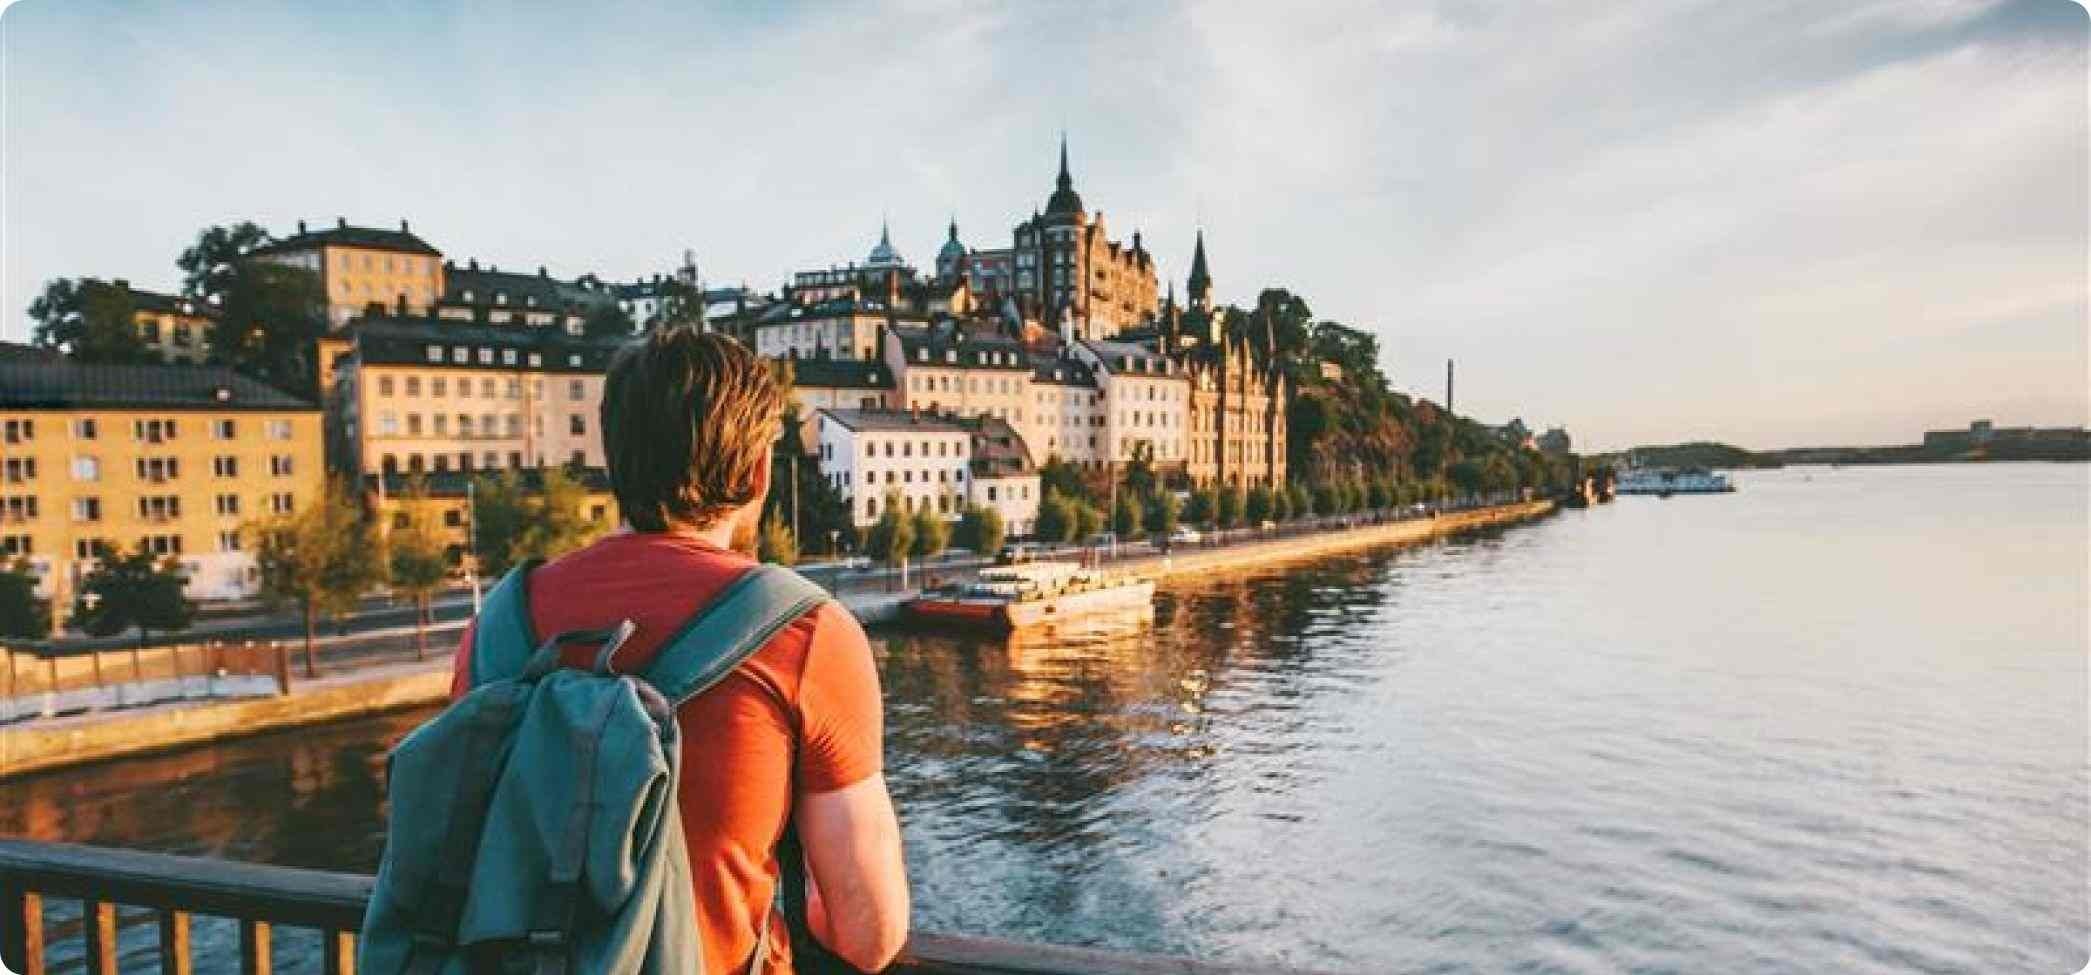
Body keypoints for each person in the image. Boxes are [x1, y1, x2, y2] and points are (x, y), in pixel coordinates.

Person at [448, 328, 908, 974]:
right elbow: (869, 934)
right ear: (759, 472)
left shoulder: (497, 628)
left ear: (615, 459)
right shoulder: (806, 634)